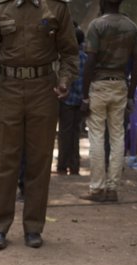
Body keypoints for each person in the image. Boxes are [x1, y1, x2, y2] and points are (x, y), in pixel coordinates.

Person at [0, 0, 78, 250]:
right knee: (6, 160)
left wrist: (65, 80)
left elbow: (69, 52)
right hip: (10, 88)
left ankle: (34, 227)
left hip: (44, 88)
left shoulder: (57, 8)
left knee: (39, 161)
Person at [79, 0, 137, 203]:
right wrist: (131, 93)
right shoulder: (131, 26)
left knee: (96, 135)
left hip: (98, 84)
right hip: (120, 84)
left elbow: (90, 61)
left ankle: (97, 188)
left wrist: (84, 94)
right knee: (117, 136)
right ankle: (113, 188)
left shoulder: (97, 25)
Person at [57, 27, 87, 176]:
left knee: (64, 134)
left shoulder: (67, 58)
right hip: (80, 101)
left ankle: (62, 166)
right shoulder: (85, 58)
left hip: (67, 101)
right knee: (76, 134)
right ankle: (74, 166)